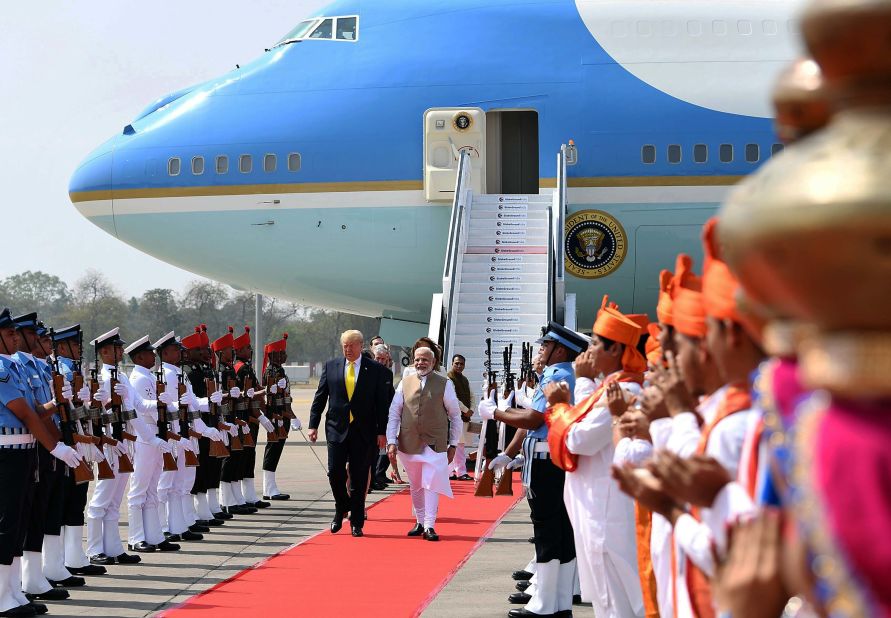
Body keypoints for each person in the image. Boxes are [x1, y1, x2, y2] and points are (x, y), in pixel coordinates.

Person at [545, 304, 648, 617]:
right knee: (607, 600)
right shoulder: (609, 386)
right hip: (597, 508)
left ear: (616, 348)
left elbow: (579, 439)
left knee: (617, 602)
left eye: (595, 345)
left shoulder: (625, 389)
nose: (586, 353)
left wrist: (559, 405)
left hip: (608, 513)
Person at [479, 322, 586, 618]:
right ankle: (559, 602)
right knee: (561, 532)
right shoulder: (569, 374)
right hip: (554, 460)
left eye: (545, 346)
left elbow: (532, 419)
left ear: (559, 350)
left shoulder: (556, 374)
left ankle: (545, 605)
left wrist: (496, 412)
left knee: (548, 530)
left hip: (546, 462)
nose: (541, 350)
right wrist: (508, 453)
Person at [0, 307, 86, 616]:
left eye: (14, 333)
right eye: (9, 334)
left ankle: (12, 590)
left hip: (24, 449)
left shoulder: (16, 367)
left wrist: (57, 402)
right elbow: (23, 413)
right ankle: (0, 596)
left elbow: (37, 410)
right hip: (6, 450)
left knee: (19, 520)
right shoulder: (1, 368)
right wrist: (56, 448)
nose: (15, 338)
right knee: (6, 523)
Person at [308, 330, 391, 537]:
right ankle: (341, 506)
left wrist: (382, 432)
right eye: (344, 346)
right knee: (335, 472)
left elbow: (382, 405)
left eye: (351, 345)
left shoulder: (375, 370)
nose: (347, 349)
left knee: (359, 477)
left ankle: (356, 520)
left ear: (360, 345)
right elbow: (320, 397)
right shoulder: (332, 366)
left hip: (364, 431)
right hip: (336, 428)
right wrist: (313, 424)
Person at [386, 347, 462, 541]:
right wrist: (391, 440)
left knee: (431, 483)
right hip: (409, 442)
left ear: (433, 362)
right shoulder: (405, 382)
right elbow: (394, 413)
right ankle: (420, 521)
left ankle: (429, 525)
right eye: (417, 359)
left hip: (434, 444)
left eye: (425, 360)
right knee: (416, 484)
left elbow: (455, 415)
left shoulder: (445, 384)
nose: (420, 363)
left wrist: (453, 443)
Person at [50, 325, 108, 578]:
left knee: (77, 499)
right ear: (61, 347)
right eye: (73, 345)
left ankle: (74, 556)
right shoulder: (62, 371)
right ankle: (65, 558)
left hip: (80, 440)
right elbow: (64, 413)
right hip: (70, 442)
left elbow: (81, 413)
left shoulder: (74, 370)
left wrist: (89, 401)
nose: (78, 349)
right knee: (68, 501)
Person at [124, 336, 181, 553]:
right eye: (149, 353)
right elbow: (139, 411)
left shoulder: (148, 377)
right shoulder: (138, 378)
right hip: (145, 435)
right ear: (139, 357)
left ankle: (154, 535)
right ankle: (136, 537)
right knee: (139, 489)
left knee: (152, 490)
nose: (153, 356)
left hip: (156, 433)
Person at [232, 327, 276, 508]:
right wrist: (260, 413)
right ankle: (242, 497)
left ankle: (249, 495)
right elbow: (248, 396)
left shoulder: (245, 367)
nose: (250, 351)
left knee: (249, 456)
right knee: (243, 457)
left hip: (252, 418)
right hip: (247, 418)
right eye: (247, 348)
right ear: (239, 350)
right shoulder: (242, 369)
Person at [370, 343, 395, 490]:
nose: (380, 362)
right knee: (369, 452)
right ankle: (371, 478)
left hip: (383, 418)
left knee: (378, 450)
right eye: (377, 358)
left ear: (387, 360)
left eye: (383, 359)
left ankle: (374, 477)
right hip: (368, 418)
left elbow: (390, 396)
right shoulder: (367, 372)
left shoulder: (388, 374)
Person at [446, 354, 473, 481]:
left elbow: (472, 395)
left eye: (461, 364)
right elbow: (453, 398)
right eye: (456, 363)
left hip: (464, 418)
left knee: (460, 445)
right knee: (453, 445)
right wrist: (466, 410)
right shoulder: (448, 379)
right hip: (452, 417)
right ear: (452, 363)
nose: (459, 366)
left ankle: (458, 472)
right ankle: (453, 472)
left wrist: (471, 409)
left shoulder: (465, 379)